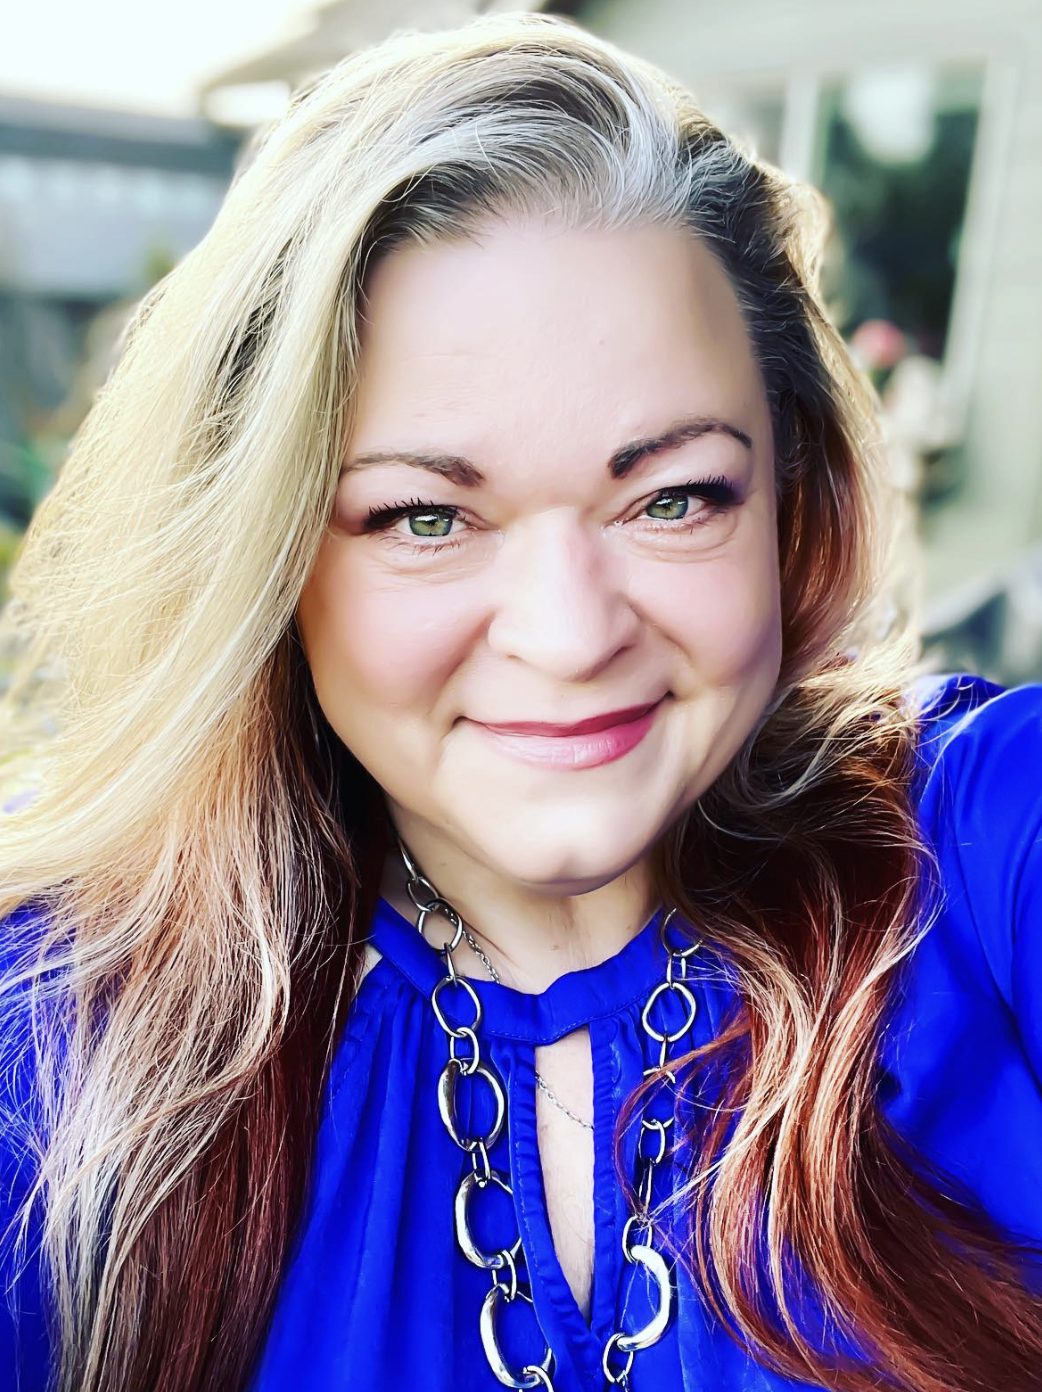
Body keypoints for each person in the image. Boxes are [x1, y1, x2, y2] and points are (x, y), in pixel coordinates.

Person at [0, 12, 1040, 1392]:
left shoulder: (982, 848)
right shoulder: (69, 1040)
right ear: (270, 554)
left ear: (791, 501)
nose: (568, 637)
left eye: (674, 497)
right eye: (425, 517)